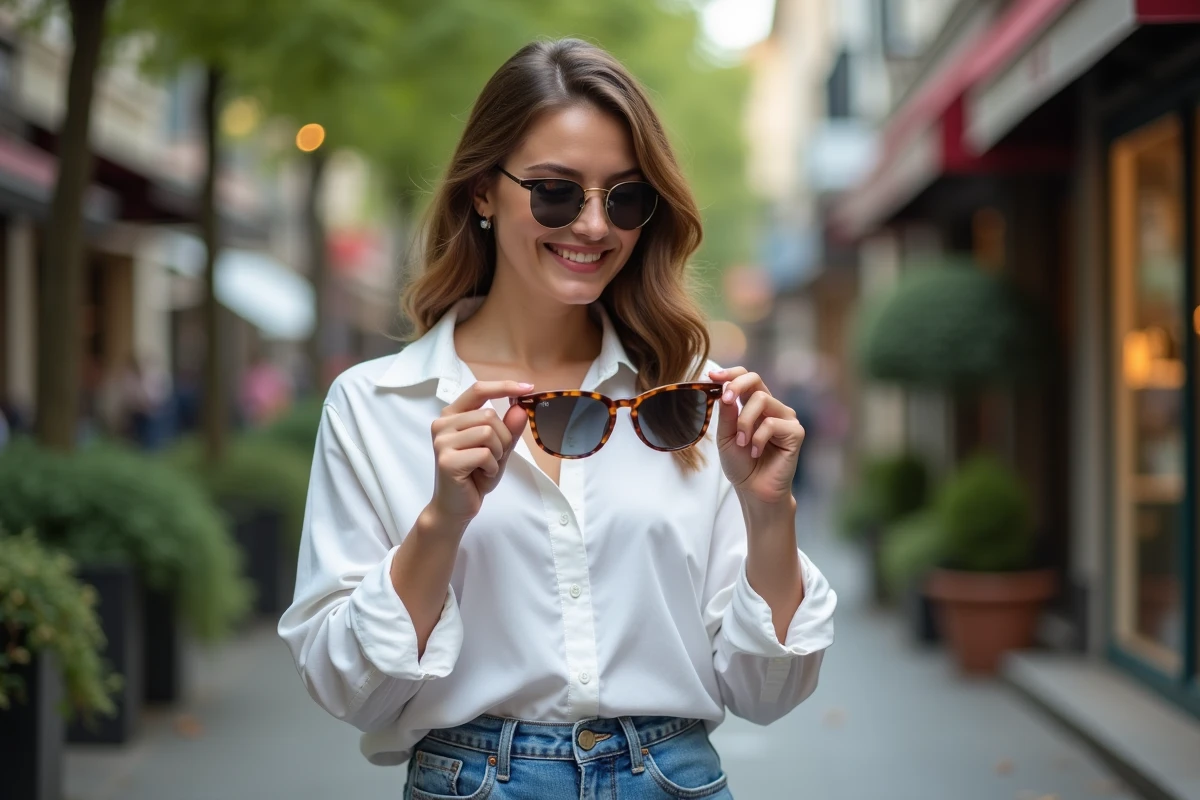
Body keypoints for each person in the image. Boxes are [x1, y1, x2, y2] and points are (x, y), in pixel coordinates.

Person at [279, 39, 836, 799]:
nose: (595, 227)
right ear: (482, 190)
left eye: (627, 197)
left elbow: (767, 694)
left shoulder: (699, 403)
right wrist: (441, 524)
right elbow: (348, 690)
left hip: (673, 779)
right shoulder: (377, 406)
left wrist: (769, 513)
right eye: (555, 192)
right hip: (470, 781)